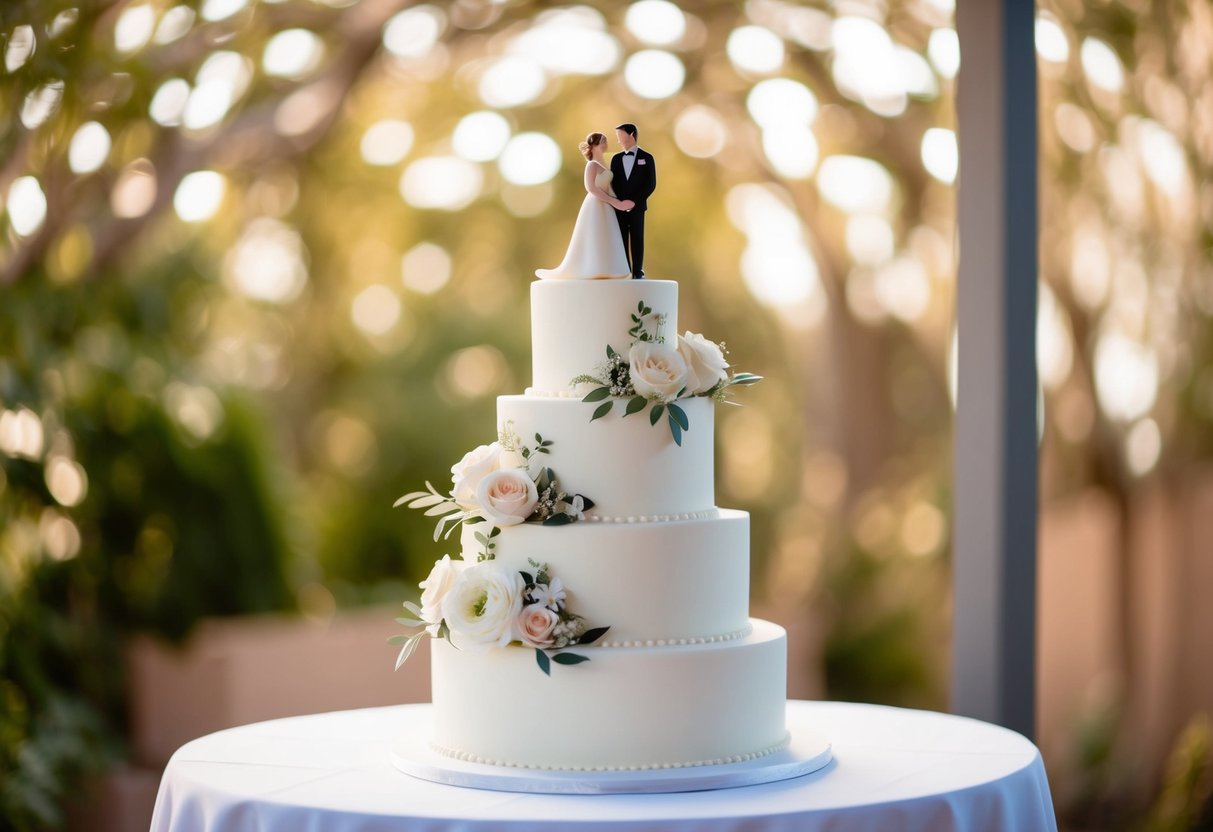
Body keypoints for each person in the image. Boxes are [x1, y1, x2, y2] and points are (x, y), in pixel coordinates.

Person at [535, 132, 635, 280]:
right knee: (595, 234)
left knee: (607, 235)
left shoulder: (604, 164)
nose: (606, 143)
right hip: (595, 204)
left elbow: (608, 187)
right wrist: (615, 202)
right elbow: (591, 188)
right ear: (594, 144)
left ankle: (610, 268)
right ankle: (593, 267)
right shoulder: (592, 165)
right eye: (603, 141)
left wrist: (620, 202)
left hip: (606, 205)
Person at [609, 123, 656, 279]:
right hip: (619, 206)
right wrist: (619, 202)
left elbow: (650, 184)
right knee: (621, 237)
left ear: (631, 134)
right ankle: (625, 270)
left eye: (620, 136)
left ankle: (638, 271)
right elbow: (613, 183)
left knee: (637, 238)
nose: (618, 140)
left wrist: (634, 201)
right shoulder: (616, 159)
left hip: (638, 206)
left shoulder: (647, 158)